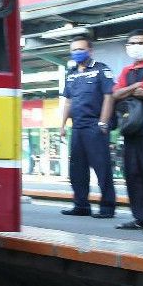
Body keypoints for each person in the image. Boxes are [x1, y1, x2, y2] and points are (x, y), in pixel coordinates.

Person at [58, 35, 116, 218]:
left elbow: (109, 96)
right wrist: (62, 125)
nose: (77, 53)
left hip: (95, 126)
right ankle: (81, 205)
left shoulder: (101, 70)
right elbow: (68, 101)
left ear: (90, 51)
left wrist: (103, 122)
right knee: (77, 169)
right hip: (77, 128)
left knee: (102, 168)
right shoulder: (72, 74)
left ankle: (107, 207)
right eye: (74, 50)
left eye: (80, 49)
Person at [112, 30, 143, 233]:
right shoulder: (127, 70)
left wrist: (128, 90)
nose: (135, 46)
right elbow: (116, 94)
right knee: (133, 174)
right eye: (131, 42)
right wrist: (135, 86)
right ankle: (141, 218)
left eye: (140, 43)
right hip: (132, 129)